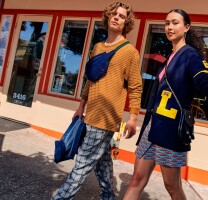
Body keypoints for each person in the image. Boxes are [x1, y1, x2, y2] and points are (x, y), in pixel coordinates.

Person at [123, 9, 208, 200]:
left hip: (171, 131)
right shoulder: (169, 58)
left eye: (175, 23)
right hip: (152, 127)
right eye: (167, 23)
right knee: (136, 181)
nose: (170, 27)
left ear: (186, 27)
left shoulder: (191, 56)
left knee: (172, 187)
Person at [52, 2, 142, 200]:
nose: (117, 17)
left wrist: (133, 118)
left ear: (126, 23)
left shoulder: (129, 52)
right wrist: (81, 106)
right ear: (108, 17)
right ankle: (109, 196)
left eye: (122, 16)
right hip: (90, 113)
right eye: (114, 14)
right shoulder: (98, 47)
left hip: (106, 117)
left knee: (82, 163)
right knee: (102, 163)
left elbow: (135, 87)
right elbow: (89, 80)